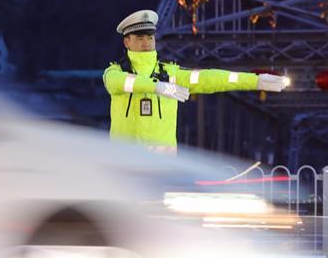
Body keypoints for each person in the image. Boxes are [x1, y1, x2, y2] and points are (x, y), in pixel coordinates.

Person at [103, 9, 288, 153]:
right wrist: (157, 87)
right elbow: (118, 82)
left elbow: (211, 78)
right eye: (140, 38)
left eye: (150, 37)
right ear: (127, 42)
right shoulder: (116, 71)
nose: (146, 43)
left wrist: (255, 81)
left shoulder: (170, 74)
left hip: (160, 168)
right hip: (125, 164)